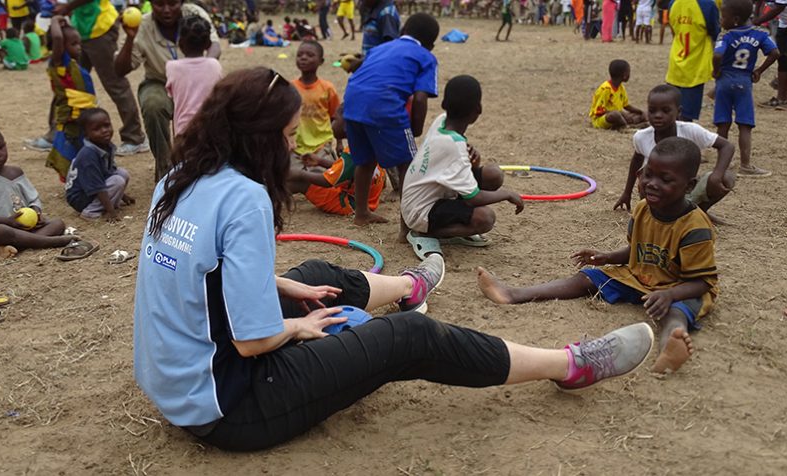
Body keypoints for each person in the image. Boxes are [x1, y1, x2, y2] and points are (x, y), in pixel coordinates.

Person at [132, 66, 657, 451]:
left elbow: (204, 274)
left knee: (311, 275)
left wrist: (285, 292)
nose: (292, 150)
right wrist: (296, 328)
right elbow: (252, 342)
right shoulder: (244, 198)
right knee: (408, 338)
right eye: (288, 138)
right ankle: (570, 365)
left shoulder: (179, 179)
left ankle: (410, 287)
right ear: (258, 138)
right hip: (231, 405)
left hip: (179, 384)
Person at [480, 137, 717, 375]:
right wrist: (608, 257)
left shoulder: (695, 227)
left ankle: (670, 347)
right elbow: (638, 251)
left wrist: (670, 294)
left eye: (665, 179)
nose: (652, 183)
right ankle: (514, 294)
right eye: (648, 174)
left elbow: (701, 282)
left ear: (689, 186)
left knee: (675, 313)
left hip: (680, 286)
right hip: (640, 278)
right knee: (586, 278)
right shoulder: (643, 208)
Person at [401, 75, 524, 259]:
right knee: (485, 218)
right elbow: (473, 199)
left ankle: (438, 225)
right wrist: (507, 194)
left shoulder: (441, 121)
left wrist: (472, 163)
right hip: (422, 211)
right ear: (478, 110)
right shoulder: (454, 146)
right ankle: (424, 232)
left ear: (444, 104)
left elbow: (450, 165)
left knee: (493, 174)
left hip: (423, 198)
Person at [343, 13, 439, 231]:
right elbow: (421, 98)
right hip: (384, 106)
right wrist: (416, 128)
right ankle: (407, 228)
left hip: (352, 102)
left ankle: (361, 214)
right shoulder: (426, 57)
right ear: (431, 45)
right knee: (409, 165)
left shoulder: (379, 48)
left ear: (402, 30)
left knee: (364, 162)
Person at [114, 0, 221, 182]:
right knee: (153, 104)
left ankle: (208, 166)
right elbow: (120, 70)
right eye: (159, 4)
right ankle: (166, 171)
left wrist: (199, 70)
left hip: (195, 79)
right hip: (159, 82)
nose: (166, 10)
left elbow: (214, 46)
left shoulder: (195, 13)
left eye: (172, 4)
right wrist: (130, 38)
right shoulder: (142, 25)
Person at [0, 123, 95, 259]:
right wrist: (6, 221)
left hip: (23, 227)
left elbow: (33, 199)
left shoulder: (16, 173)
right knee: (0, 231)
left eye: (0, 147)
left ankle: (19, 244)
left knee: (57, 223)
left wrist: (36, 211)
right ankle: (50, 241)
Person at [614, 85, 735, 219]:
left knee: (726, 178)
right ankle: (658, 215)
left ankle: (697, 212)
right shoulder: (641, 137)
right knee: (644, 176)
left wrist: (717, 175)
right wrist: (627, 193)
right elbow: (636, 160)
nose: (658, 116)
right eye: (652, 111)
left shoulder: (691, 131)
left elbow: (727, 146)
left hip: (686, 188)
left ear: (678, 112)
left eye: (666, 111)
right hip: (660, 191)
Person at [47, 0, 149, 157]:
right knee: (67, 83)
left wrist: (67, 7)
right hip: (82, 27)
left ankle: (134, 137)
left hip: (99, 27)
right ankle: (56, 133)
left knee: (115, 83)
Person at [712, 0, 780, 177]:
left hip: (724, 82)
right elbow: (775, 53)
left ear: (735, 19)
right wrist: (759, 70)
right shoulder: (759, 33)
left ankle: (722, 164)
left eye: (723, 16)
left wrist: (715, 71)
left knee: (723, 123)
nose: (721, 20)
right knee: (745, 125)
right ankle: (745, 165)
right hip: (744, 82)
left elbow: (718, 54)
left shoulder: (725, 36)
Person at [45, 15, 97, 181]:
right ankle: (75, 180)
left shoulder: (74, 65)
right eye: (74, 44)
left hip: (84, 116)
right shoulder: (60, 64)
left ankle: (84, 177)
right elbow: (58, 38)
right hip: (72, 117)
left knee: (85, 147)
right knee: (72, 147)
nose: (79, 48)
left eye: (79, 43)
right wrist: (55, 20)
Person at [65, 108, 134, 222]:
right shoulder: (88, 155)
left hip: (91, 188)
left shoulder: (105, 145)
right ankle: (91, 211)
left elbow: (108, 172)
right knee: (118, 181)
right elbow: (97, 187)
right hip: (80, 198)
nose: (104, 131)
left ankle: (108, 204)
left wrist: (123, 195)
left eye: (107, 126)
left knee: (122, 173)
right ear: (86, 133)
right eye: (97, 129)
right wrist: (112, 213)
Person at [166, 14, 223, 136]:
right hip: (209, 130)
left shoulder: (172, 67)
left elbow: (173, 99)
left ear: (180, 44)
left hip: (183, 130)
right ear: (208, 44)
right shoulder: (215, 65)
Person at [666, 0, 720, 121]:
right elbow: (715, 32)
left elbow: (673, 29)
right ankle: (681, 138)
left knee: (672, 109)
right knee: (687, 115)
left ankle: (672, 137)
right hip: (695, 64)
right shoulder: (707, 5)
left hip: (676, 60)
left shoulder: (673, 3)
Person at [291, 40, 340, 165]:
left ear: (321, 61)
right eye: (300, 55)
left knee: (323, 178)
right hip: (297, 146)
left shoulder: (327, 88)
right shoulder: (290, 88)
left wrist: (339, 143)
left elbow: (335, 117)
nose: (303, 58)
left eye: (310, 55)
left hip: (322, 144)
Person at [753, 0, 787, 110]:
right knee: (782, 59)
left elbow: (779, 8)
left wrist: (758, 21)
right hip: (784, 22)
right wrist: (756, 16)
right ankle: (781, 97)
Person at [588, 59, 647, 129]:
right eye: (629, 72)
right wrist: (622, 114)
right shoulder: (605, 89)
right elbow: (599, 110)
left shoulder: (621, 87)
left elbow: (626, 106)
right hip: (602, 119)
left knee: (642, 114)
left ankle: (625, 123)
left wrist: (641, 112)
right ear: (624, 75)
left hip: (619, 115)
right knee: (615, 115)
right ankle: (625, 127)